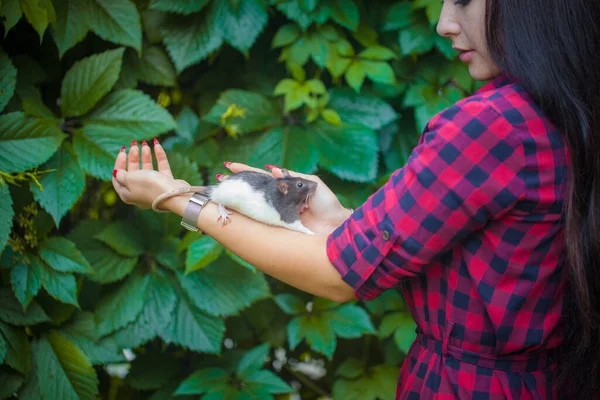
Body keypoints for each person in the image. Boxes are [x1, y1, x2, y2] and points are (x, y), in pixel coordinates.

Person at [111, 0, 600, 398]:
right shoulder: (570, 109)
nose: (443, 23)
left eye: (463, 1)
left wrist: (176, 199)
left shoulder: (489, 125)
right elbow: (492, 260)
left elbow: (338, 276)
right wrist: (341, 217)